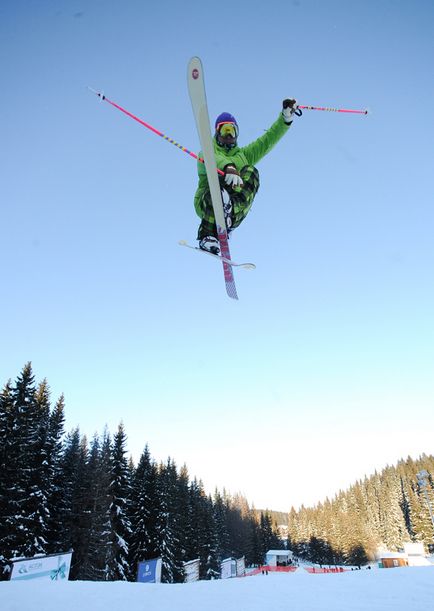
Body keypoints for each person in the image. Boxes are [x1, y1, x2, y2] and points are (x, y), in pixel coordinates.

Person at [194, 99, 301, 254]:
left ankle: (230, 213)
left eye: (233, 130)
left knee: (252, 172)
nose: (229, 135)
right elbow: (207, 157)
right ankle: (207, 235)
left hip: (235, 209)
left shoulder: (244, 155)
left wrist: (285, 120)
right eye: (225, 130)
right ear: (217, 133)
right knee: (216, 184)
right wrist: (228, 167)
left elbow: (267, 141)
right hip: (207, 201)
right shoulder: (208, 152)